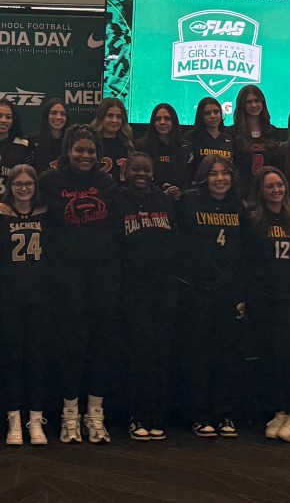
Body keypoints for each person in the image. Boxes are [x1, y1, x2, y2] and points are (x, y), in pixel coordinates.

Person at [40, 124, 120, 444]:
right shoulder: (49, 182)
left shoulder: (107, 183)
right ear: (68, 151)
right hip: (66, 281)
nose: (85, 156)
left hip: (102, 280)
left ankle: (95, 415)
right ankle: (69, 414)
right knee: (70, 349)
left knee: (100, 348)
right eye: (79, 150)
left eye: (90, 151)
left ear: (98, 154)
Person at [174, 155, 250, 438]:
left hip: (227, 292)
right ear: (204, 177)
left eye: (225, 173)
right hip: (195, 290)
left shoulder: (239, 206)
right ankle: (198, 414)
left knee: (227, 356)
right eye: (214, 173)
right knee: (196, 356)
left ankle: (224, 414)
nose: (220, 179)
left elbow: (245, 253)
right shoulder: (188, 202)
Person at [119, 152, 177, 442]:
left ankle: (157, 415)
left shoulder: (164, 200)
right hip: (133, 291)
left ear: (152, 173)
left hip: (164, 290)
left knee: (161, 353)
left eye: (146, 169)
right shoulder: (118, 199)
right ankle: (137, 415)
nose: (141, 174)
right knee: (138, 352)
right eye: (135, 169)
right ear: (126, 172)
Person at [246, 167, 290, 443]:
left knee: (287, 354)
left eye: (279, 185)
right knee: (268, 355)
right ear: (261, 189)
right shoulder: (254, 219)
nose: (275, 190)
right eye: (270, 186)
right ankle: (279, 411)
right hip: (264, 296)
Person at [0, 163, 48, 446]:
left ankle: (36, 420)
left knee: (37, 360)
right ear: (10, 186)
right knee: (13, 359)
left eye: (29, 184)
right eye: (19, 184)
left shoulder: (46, 213)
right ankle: (14, 420)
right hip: (11, 298)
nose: (24, 188)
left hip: (39, 298)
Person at [229, 84, 280, 184]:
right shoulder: (232, 133)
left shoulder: (273, 131)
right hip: (242, 191)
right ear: (242, 105)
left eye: (257, 100)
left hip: (268, 189)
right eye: (249, 102)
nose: (254, 105)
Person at [135, 104, 188, 193]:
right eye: (158, 119)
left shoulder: (185, 147)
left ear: (173, 121)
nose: (162, 122)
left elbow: (188, 178)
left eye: (167, 119)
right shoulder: (140, 146)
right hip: (150, 198)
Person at [184, 96, 233, 179]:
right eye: (207, 113)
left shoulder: (230, 139)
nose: (213, 116)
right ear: (201, 116)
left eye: (216, 112)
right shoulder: (191, 138)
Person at [91, 98, 132, 185]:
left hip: (122, 195)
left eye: (119, 117)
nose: (114, 120)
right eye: (110, 116)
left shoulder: (128, 145)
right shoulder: (91, 143)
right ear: (101, 117)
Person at [30, 98, 67, 173]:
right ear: (46, 116)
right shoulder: (33, 142)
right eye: (54, 113)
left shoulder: (72, 143)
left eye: (63, 114)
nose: (59, 117)